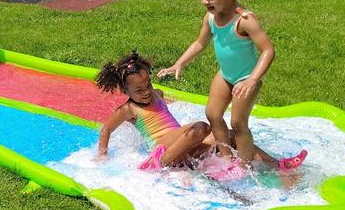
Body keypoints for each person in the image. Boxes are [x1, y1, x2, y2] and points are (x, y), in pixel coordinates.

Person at [157, 0, 278, 166]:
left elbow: (268, 50)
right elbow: (199, 43)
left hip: (246, 78)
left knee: (238, 123)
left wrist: (251, 80)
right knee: (213, 114)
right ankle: (226, 158)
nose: (204, 1)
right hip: (225, 75)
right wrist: (179, 63)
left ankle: (244, 164)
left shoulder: (245, 20)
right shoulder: (211, 17)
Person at [96, 51, 307, 174]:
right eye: (139, 90)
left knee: (230, 138)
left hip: (184, 146)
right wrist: (102, 155)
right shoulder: (128, 109)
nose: (146, 92)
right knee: (202, 127)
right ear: (125, 91)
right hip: (163, 147)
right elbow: (106, 130)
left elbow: (162, 105)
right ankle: (159, 163)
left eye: (148, 85)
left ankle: (278, 165)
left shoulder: (157, 94)